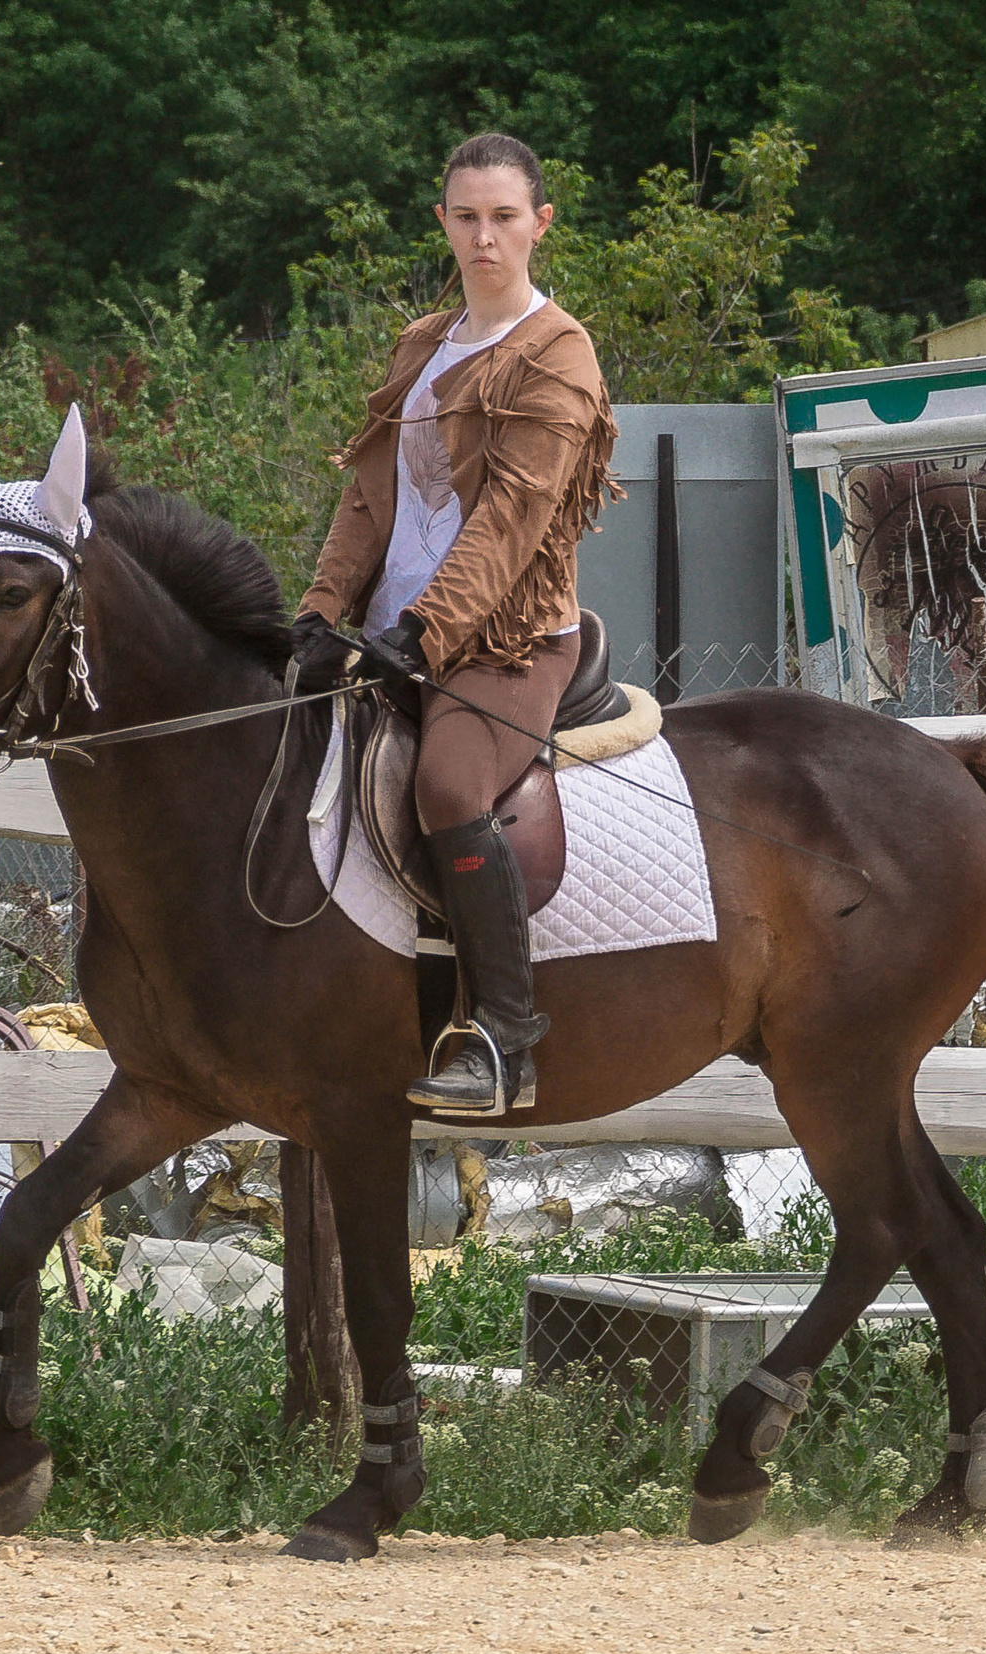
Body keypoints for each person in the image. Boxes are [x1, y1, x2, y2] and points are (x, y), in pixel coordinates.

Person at [290, 132, 620, 1117]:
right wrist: (316, 614)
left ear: (538, 226)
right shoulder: (420, 345)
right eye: (466, 217)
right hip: (389, 630)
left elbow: (513, 518)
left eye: (504, 218)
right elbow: (367, 499)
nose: (484, 237)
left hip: (508, 638)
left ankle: (505, 1042)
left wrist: (424, 633)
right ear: (443, 223)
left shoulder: (557, 350)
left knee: (445, 782)